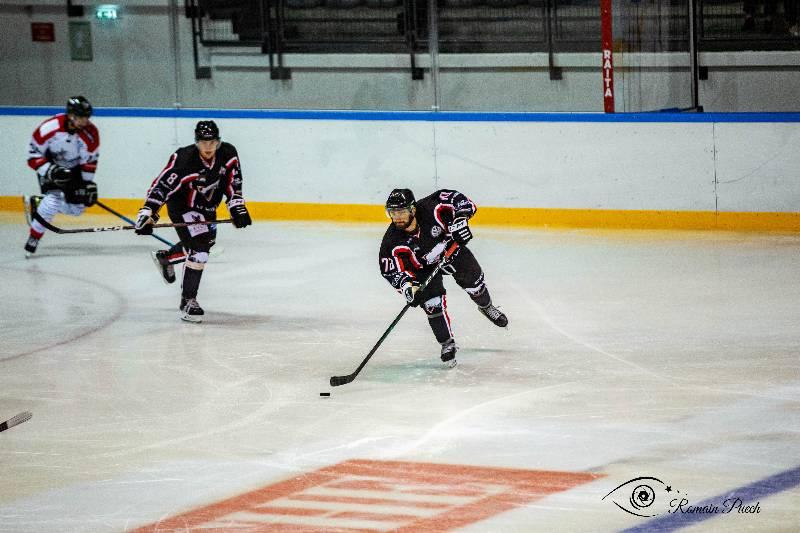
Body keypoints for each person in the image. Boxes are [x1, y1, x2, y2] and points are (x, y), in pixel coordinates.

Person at [133, 120, 251, 322]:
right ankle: (188, 301)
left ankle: (167, 258)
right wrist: (149, 212)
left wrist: (236, 206)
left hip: (208, 208)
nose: (208, 147)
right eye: (204, 142)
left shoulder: (228, 154)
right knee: (200, 250)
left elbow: (234, 182)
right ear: (197, 142)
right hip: (183, 207)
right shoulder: (184, 159)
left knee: (207, 242)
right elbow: (162, 187)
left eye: (212, 142)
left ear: (218, 141)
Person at [378, 188, 508, 368]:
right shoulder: (391, 241)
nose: (397, 217)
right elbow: (391, 271)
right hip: (422, 269)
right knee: (432, 304)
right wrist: (408, 287)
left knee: (475, 284)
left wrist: (461, 219)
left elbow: (459, 200)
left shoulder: (431, 207)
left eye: (401, 211)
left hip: (452, 251)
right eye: (392, 213)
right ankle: (447, 344)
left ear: (413, 209)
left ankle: (486, 307)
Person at [24, 96, 99, 256]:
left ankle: (38, 202)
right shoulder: (49, 128)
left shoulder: (91, 133)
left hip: (74, 169)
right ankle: (34, 237)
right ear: (71, 115)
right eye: (81, 117)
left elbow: (90, 161)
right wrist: (50, 170)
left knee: (78, 209)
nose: (85, 121)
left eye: (87, 117)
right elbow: (32, 156)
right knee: (53, 201)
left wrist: (86, 185)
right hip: (51, 166)